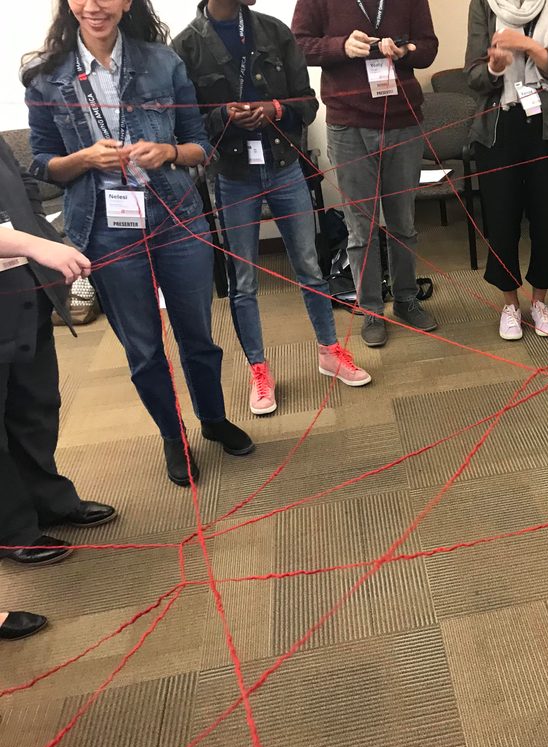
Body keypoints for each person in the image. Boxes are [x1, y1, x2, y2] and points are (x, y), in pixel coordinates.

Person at [24, 0, 254, 487]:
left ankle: (212, 420)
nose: (93, 6)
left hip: (176, 218)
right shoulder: (46, 78)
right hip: (104, 228)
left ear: (127, 1)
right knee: (144, 347)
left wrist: (169, 151)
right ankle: (173, 436)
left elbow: (200, 145)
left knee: (198, 335)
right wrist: (84, 158)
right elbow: (42, 165)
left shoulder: (163, 61)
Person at [174, 0, 371, 417]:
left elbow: (308, 102)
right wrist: (222, 115)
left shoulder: (274, 31)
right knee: (242, 281)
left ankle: (329, 351)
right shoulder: (187, 47)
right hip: (231, 174)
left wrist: (275, 109)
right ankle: (259, 371)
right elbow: (184, 123)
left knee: (309, 267)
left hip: (284, 166)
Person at [292, 0, 439, 349]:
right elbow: (297, 46)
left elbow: (429, 48)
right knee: (362, 227)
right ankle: (371, 307)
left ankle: (406, 299)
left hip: (403, 121)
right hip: (348, 124)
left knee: (403, 222)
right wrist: (340, 46)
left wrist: (406, 50)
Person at [1, 133, 117, 567]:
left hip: (23, 291)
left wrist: (48, 241)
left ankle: (48, 499)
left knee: (35, 405)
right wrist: (33, 245)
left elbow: (24, 198)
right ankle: (12, 530)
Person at [465, 0, 548, 340]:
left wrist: (531, 48)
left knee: (547, 219)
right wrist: (492, 68)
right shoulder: (485, 4)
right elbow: (472, 75)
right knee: (502, 220)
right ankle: (509, 305)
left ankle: (540, 302)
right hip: (499, 127)